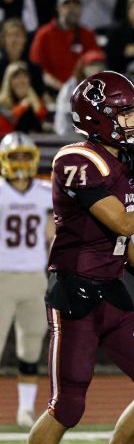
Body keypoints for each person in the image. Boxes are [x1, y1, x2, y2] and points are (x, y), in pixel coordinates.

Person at [0, 71, 134, 444]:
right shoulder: (76, 159)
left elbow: (128, 240)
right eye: (126, 112)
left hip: (112, 288)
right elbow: (121, 222)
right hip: (74, 291)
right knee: (69, 404)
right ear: (99, 118)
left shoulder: (129, 159)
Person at [0, 133, 51, 427]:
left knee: (31, 347)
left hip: (34, 276)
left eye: (24, 156)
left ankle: (25, 410)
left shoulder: (44, 191)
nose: (20, 162)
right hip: (3, 277)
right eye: (14, 156)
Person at [29, 0, 99, 93]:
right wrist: (64, 90)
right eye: (67, 4)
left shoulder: (87, 35)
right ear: (59, 8)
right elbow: (38, 69)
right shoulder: (44, 34)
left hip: (83, 94)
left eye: (76, 5)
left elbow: (96, 65)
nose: (72, 9)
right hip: (52, 92)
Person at [0, 63, 47, 134]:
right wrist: (22, 106)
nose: (21, 81)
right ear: (9, 81)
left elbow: (42, 116)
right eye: (16, 77)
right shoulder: (2, 102)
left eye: (25, 76)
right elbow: (10, 120)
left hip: (35, 140)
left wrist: (32, 98)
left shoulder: (34, 100)